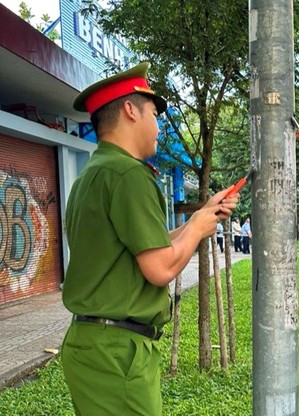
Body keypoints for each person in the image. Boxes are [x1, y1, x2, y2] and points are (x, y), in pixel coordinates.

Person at [61, 63, 238, 415]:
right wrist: (200, 227)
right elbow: (159, 267)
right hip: (119, 353)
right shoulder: (129, 175)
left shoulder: (91, 176)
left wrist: (200, 217)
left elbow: (143, 245)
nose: (158, 127)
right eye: (154, 114)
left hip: (93, 346)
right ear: (130, 110)